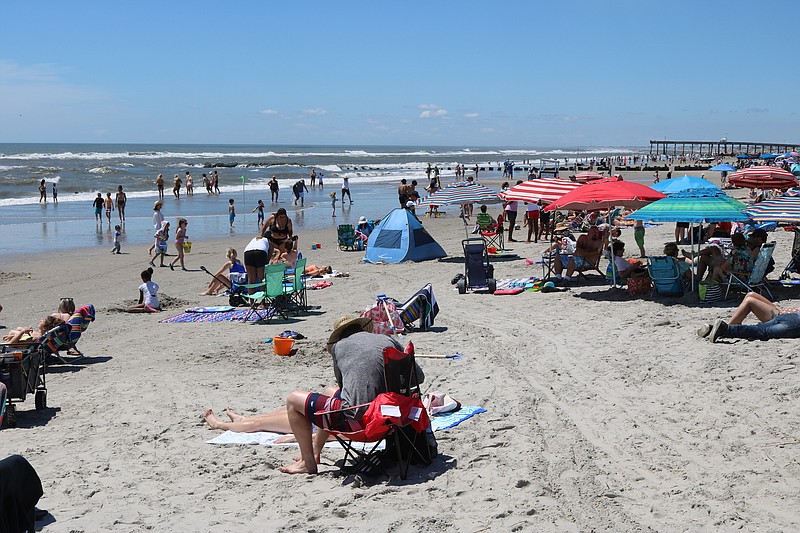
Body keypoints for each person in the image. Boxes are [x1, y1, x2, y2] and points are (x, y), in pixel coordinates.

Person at [279, 315, 424, 474]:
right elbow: (419, 377)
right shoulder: (388, 341)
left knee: (293, 400)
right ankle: (315, 451)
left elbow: (345, 389)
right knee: (330, 392)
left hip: (361, 423)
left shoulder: (339, 347)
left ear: (339, 336)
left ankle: (307, 463)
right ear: (362, 329)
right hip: (394, 419)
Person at [699, 292, 800, 343]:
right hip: (789, 320)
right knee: (763, 332)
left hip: (787, 316)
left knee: (750, 301)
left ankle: (714, 329)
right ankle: (725, 329)